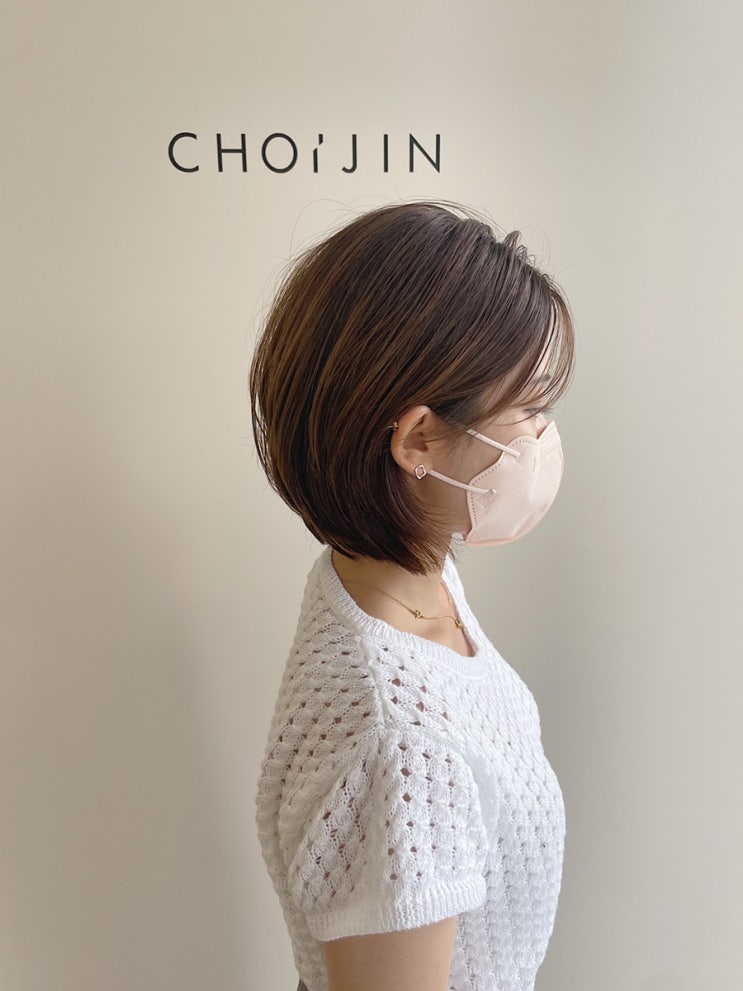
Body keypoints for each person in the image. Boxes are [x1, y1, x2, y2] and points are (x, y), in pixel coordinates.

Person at [251, 201, 575, 991]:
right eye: (529, 407)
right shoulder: (400, 742)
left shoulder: (395, 577)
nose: (543, 435)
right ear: (418, 440)